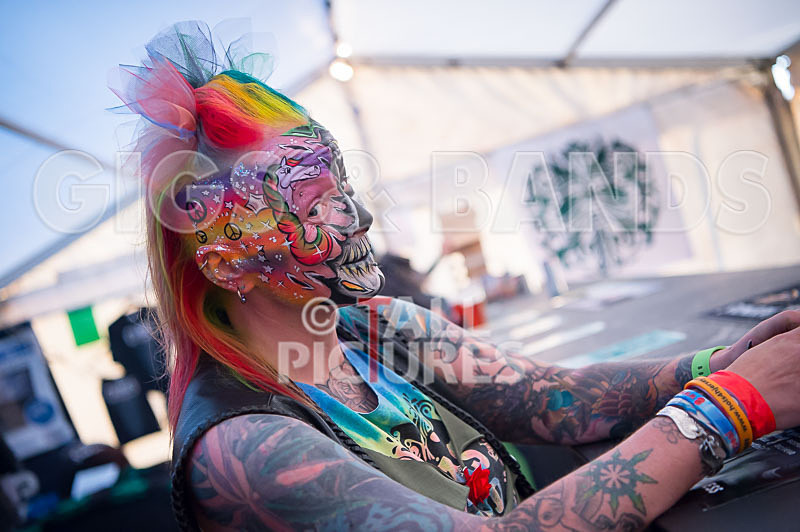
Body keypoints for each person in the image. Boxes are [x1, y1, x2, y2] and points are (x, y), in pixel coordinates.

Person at [113, 22, 800, 531]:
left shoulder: (374, 329)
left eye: (345, 186)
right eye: (316, 201)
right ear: (226, 255)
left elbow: (551, 396)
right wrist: (729, 407)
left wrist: (719, 362)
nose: (357, 216)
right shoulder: (244, 447)